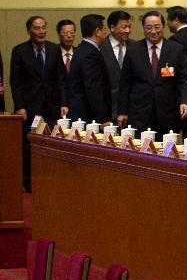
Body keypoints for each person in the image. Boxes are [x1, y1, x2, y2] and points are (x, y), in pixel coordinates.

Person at [10, 16, 68, 192]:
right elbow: (15, 81)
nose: (41, 31)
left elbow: (61, 79)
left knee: (52, 142)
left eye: (44, 27)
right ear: (29, 30)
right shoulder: (19, 51)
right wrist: (20, 106)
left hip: (51, 105)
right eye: (37, 28)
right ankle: (29, 181)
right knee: (29, 144)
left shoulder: (54, 49)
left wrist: (64, 102)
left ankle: (51, 178)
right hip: (30, 107)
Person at [117, 11, 187, 133]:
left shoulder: (176, 49)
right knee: (140, 150)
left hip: (168, 114)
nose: (153, 31)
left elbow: (183, 80)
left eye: (157, 27)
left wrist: (184, 101)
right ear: (143, 28)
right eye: (149, 27)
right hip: (140, 113)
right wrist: (122, 111)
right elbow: (125, 83)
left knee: (166, 151)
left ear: (164, 26)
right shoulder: (133, 50)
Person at [67, 14, 112, 124]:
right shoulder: (89, 54)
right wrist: (102, 118)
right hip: (88, 116)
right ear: (97, 31)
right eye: (104, 30)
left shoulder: (82, 49)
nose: (105, 33)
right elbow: (93, 88)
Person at [100, 10, 132, 118]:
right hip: (107, 110)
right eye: (124, 27)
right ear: (112, 27)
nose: (128, 30)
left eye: (129, 27)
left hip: (132, 110)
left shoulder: (135, 46)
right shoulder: (100, 47)